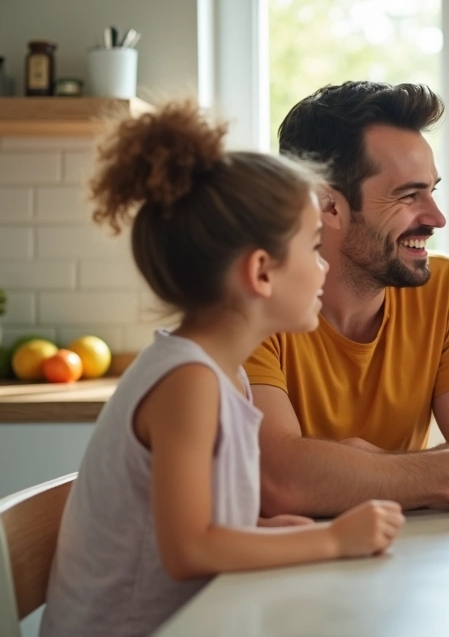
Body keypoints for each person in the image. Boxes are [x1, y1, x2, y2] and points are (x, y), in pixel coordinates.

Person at [40, 102, 404, 637]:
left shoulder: (217, 373)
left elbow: (192, 521)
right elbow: (188, 549)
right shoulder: (188, 383)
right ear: (260, 272)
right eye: (311, 247)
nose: (325, 265)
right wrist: (331, 539)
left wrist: (262, 530)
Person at [244, 82, 449, 517]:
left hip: (397, 551)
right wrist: (447, 473)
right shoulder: (255, 299)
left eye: (432, 190)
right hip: (278, 569)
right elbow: (278, 482)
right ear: (329, 205)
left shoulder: (443, 287)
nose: (436, 218)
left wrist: (358, 466)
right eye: (409, 195)